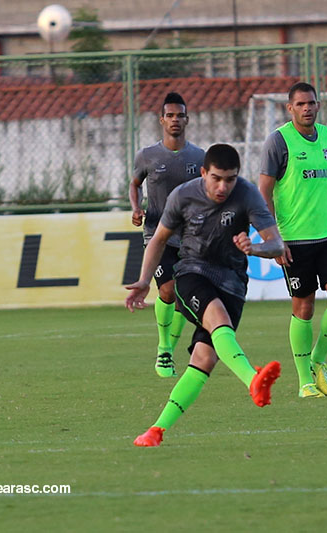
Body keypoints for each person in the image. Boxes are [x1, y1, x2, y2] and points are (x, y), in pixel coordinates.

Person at [125, 144, 284, 447]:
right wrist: (145, 280)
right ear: (203, 173)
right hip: (191, 274)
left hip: (234, 283)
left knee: (204, 359)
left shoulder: (248, 194)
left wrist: (255, 248)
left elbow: (277, 245)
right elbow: (158, 239)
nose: (223, 186)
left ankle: (156, 430)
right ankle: (253, 379)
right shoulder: (183, 196)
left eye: (230, 179)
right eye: (216, 178)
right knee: (217, 318)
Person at [258, 82, 327, 399]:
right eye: (301, 104)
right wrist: (273, 238)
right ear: (289, 108)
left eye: (312, 103)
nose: (307, 108)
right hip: (294, 240)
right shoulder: (278, 142)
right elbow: (262, 193)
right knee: (303, 307)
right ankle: (305, 380)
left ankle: (318, 359)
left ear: (318, 106)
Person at [129, 92, 205, 378]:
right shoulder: (147, 155)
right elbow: (134, 184)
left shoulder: (199, 157)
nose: (175, 120)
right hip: (158, 235)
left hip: (190, 236)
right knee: (168, 290)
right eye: (170, 115)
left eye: (180, 115)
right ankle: (164, 349)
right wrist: (136, 208)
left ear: (187, 119)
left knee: (186, 297)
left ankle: (170, 349)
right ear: (162, 120)